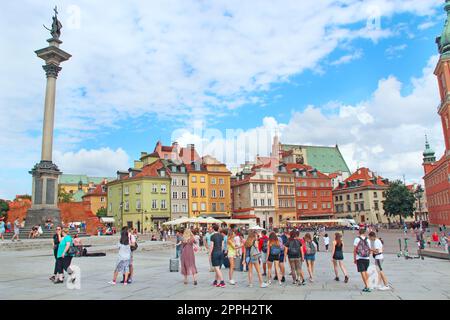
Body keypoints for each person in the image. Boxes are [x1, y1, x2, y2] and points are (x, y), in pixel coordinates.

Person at [353, 228, 371, 292]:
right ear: (364, 233)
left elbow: (355, 250)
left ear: (359, 232)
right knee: (366, 271)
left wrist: (354, 258)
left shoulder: (357, 239)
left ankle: (367, 286)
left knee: (362, 272)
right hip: (367, 258)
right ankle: (368, 285)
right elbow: (369, 249)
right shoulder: (368, 239)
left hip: (359, 257)